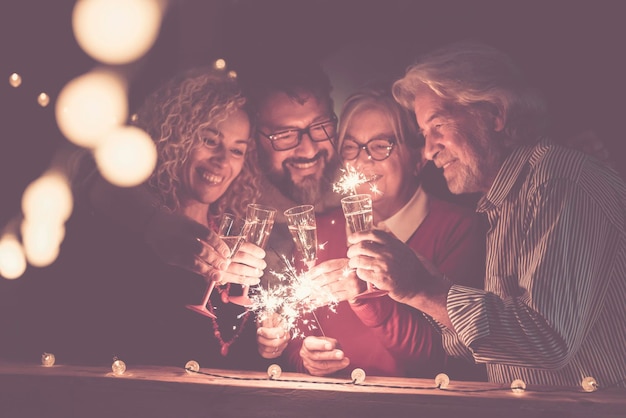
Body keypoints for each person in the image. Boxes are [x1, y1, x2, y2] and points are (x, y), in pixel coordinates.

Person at [344, 40, 626, 387]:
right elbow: (488, 347)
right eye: (423, 134)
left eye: (438, 127)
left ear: (494, 114)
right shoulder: (502, 204)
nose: (430, 150)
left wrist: (425, 288)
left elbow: (546, 341)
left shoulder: (557, 182)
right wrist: (425, 286)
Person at [258, 84, 487, 380]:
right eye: (352, 147)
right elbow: (295, 337)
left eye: (381, 146)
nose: (363, 160)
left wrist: (365, 295)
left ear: (418, 157)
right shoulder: (320, 228)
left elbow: (444, 358)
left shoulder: (460, 228)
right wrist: (307, 358)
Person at [56, 66, 268, 368]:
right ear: (177, 137)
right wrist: (154, 222)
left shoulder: (233, 236)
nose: (222, 161)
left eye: (237, 150)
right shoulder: (130, 217)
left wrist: (271, 338)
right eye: (209, 140)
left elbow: (242, 353)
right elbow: (86, 171)